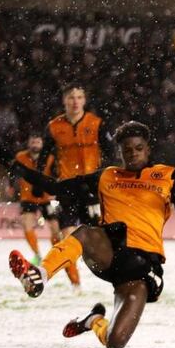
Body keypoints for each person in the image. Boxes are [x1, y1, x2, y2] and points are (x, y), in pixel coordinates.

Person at [1, 122, 175, 348]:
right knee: (86, 233)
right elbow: (56, 188)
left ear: (148, 149)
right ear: (120, 152)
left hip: (141, 269)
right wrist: (14, 166)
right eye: (127, 150)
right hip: (109, 252)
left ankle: (94, 321)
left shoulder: (167, 177)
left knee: (115, 342)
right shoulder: (107, 176)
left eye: (138, 148)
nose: (133, 153)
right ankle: (39, 275)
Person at [40, 84, 114, 291]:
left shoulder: (96, 123)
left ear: (84, 100)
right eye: (71, 97)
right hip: (67, 189)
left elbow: (112, 154)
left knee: (103, 238)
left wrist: (107, 179)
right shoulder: (54, 127)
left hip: (92, 189)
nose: (75, 101)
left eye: (79, 97)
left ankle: (118, 277)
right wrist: (40, 182)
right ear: (64, 100)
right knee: (67, 236)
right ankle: (76, 284)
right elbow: (44, 158)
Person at [14, 133, 61, 265]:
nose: (35, 145)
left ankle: (56, 255)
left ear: (42, 144)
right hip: (28, 197)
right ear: (28, 144)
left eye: (38, 142)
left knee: (56, 229)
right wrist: (12, 185)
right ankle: (37, 255)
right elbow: (14, 173)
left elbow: (56, 175)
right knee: (27, 225)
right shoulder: (20, 157)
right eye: (33, 142)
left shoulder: (50, 158)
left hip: (47, 197)